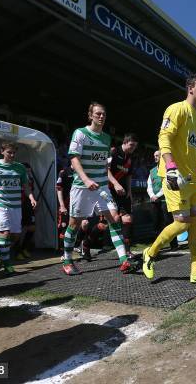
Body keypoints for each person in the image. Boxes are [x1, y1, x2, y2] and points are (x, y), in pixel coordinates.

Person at [141, 75, 196, 284]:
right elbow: (163, 137)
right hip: (175, 176)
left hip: (193, 180)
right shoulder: (176, 109)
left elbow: (193, 153)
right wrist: (171, 166)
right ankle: (150, 252)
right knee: (182, 223)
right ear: (190, 89)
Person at [60, 102, 133, 275]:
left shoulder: (107, 138)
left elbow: (104, 166)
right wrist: (85, 179)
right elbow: (74, 159)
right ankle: (68, 259)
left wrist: (112, 183)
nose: (101, 116)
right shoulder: (80, 133)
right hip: (81, 187)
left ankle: (123, 260)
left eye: (104, 114)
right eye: (98, 114)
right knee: (74, 223)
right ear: (90, 115)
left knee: (114, 218)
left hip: (101, 188)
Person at [0, 141, 37, 275]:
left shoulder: (20, 168)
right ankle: (7, 265)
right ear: (2, 151)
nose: (11, 155)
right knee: (4, 232)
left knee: (15, 236)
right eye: (9, 152)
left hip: (16, 206)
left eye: (14, 153)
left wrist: (32, 198)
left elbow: (26, 186)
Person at [108, 133, 138, 253]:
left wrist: (129, 191)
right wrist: (115, 184)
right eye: (131, 145)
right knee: (114, 219)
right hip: (110, 190)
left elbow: (129, 176)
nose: (133, 148)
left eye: (135, 146)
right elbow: (106, 171)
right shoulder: (114, 152)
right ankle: (87, 244)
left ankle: (127, 251)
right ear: (125, 142)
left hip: (124, 191)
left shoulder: (130, 158)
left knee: (128, 219)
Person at [147, 150, 178, 250]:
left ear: (162, 157)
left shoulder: (167, 169)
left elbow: (167, 184)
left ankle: (174, 245)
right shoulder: (151, 171)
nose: (155, 157)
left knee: (168, 222)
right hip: (154, 201)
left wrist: (158, 195)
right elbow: (149, 186)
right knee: (156, 223)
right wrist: (152, 195)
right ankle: (158, 246)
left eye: (157, 155)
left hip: (165, 200)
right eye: (154, 156)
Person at [15, 162, 36, 260]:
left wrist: (33, 200)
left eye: (29, 169)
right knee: (19, 229)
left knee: (32, 227)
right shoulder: (17, 178)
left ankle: (24, 248)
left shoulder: (30, 178)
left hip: (28, 204)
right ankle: (17, 251)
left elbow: (31, 190)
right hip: (19, 204)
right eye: (26, 169)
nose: (28, 171)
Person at [56, 164, 74, 253]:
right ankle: (61, 248)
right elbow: (59, 189)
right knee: (63, 225)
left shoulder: (82, 171)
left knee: (81, 224)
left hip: (77, 204)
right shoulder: (64, 172)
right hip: (66, 203)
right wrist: (62, 206)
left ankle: (77, 246)